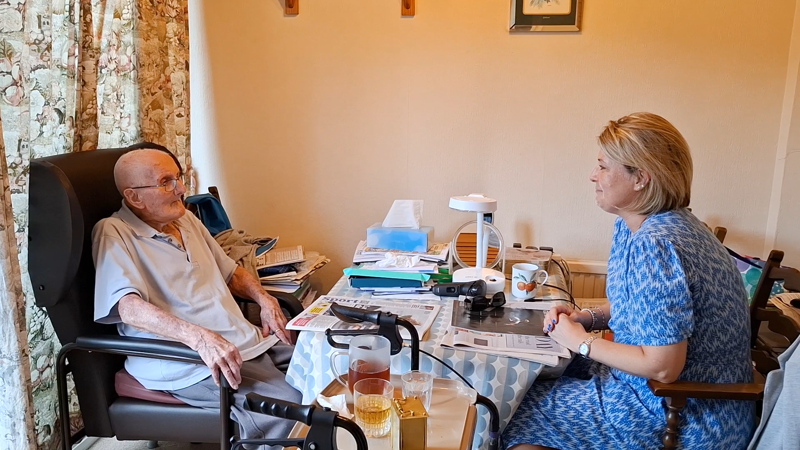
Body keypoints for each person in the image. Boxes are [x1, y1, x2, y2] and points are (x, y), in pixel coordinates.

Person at [502, 113, 754, 449]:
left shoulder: (658, 243)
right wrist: (588, 318)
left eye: (604, 166)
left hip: (682, 413)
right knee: (531, 376)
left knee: (509, 409)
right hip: (650, 392)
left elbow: (663, 368)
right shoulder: (637, 226)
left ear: (641, 178)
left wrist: (581, 341)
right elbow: (640, 305)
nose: (593, 176)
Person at [92, 145, 302, 442]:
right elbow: (128, 308)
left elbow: (232, 273)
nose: (180, 189)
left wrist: (264, 300)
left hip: (244, 344)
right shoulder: (114, 231)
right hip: (191, 362)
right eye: (166, 182)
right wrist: (199, 337)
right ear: (134, 197)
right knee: (293, 412)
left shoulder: (186, 220)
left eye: (179, 178)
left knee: (327, 369)